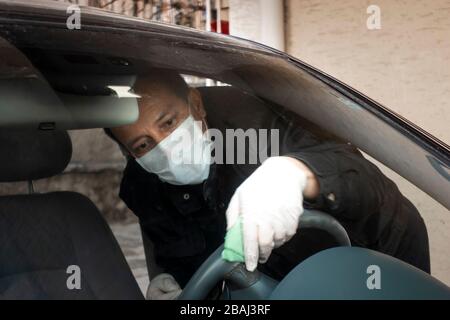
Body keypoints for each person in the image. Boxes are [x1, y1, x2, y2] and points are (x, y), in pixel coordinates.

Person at [104, 70, 430, 300]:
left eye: (169, 122)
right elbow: (182, 254)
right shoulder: (144, 187)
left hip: (378, 251)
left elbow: (360, 176)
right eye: (143, 145)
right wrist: (178, 289)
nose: (164, 147)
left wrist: (294, 173)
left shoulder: (258, 125)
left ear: (196, 104)